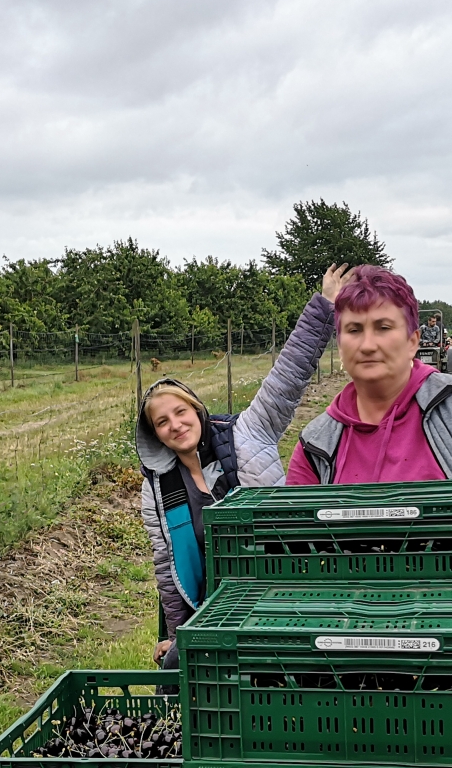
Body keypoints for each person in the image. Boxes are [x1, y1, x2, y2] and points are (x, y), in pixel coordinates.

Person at [286, 266, 452, 577]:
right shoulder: (317, 444)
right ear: (339, 345)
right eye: (354, 330)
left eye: (383, 327)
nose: (368, 344)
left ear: (413, 341)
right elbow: (293, 554)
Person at [139, 266, 351, 668]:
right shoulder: (158, 487)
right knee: (175, 673)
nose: (175, 425)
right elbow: (168, 567)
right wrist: (175, 634)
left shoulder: (250, 431)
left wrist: (324, 306)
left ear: (197, 410)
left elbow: (288, 374)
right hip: (216, 608)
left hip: (283, 591)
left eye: (181, 412)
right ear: (155, 435)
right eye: (162, 422)